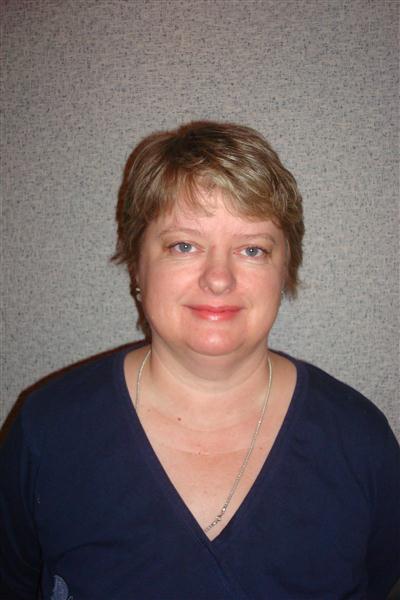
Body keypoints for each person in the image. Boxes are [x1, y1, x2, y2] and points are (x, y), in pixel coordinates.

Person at [1, 121, 399, 600]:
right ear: (137, 264)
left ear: (285, 271)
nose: (218, 278)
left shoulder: (360, 441)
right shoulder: (48, 430)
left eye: (252, 249)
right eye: (184, 245)